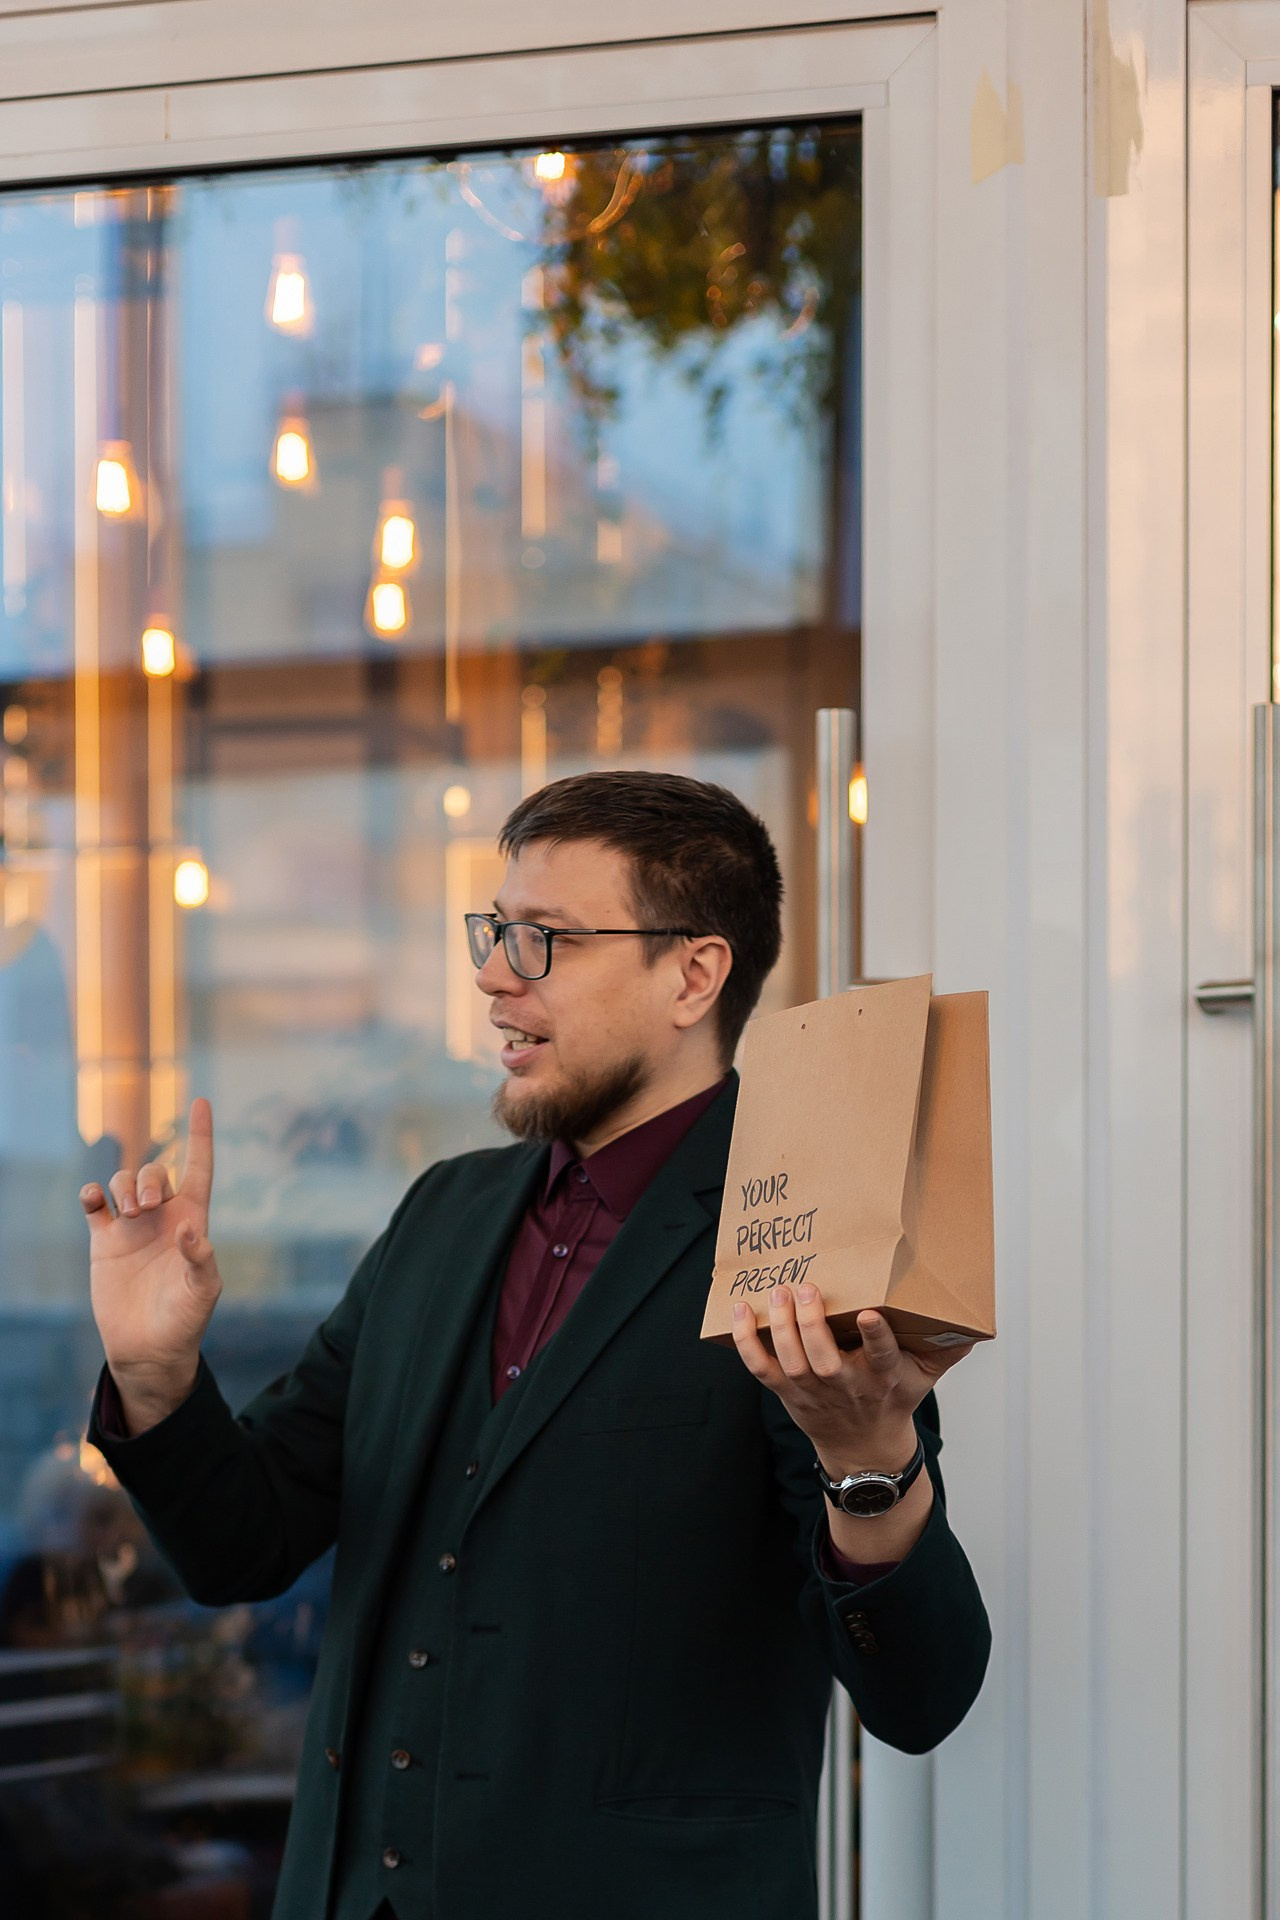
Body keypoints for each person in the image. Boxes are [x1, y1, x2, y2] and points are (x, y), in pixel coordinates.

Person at [83, 771, 990, 1920]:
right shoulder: (439, 1215)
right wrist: (156, 1378)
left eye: (543, 939)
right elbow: (242, 1546)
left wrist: (869, 1463)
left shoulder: (801, 1235)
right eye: (495, 931)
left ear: (692, 975)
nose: (492, 974)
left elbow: (919, 1694)